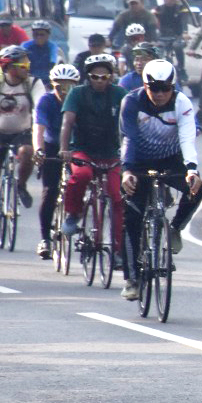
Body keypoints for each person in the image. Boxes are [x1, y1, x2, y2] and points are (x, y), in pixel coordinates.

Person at [119, 59, 202, 302]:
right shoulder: (132, 102)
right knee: (132, 217)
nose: (159, 94)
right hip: (138, 160)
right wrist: (127, 171)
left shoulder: (182, 103)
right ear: (144, 86)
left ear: (173, 87)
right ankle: (132, 279)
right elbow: (128, 138)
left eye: (165, 88)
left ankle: (175, 228)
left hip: (171, 159)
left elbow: (187, 138)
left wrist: (192, 170)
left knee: (197, 189)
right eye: (153, 88)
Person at [59, 54, 128, 271]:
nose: (99, 81)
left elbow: (129, 123)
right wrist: (64, 149)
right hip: (83, 150)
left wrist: (128, 151)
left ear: (111, 77)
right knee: (82, 175)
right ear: (88, 77)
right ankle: (73, 214)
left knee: (117, 197)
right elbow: (67, 123)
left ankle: (117, 250)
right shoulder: (77, 93)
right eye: (95, 77)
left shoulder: (120, 94)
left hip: (111, 152)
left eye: (104, 77)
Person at [0, 45, 44, 229]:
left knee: (27, 152)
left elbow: (39, 109)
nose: (27, 67)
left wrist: (40, 132)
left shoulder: (33, 83)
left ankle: (21, 184)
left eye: (27, 62)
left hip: (22, 132)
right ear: (9, 66)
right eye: (22, 64)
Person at [33, 63, 79, 258]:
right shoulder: (46, 100)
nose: (64, 91)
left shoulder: (80, 99)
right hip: (52, 146)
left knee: (80, 184)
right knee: (50, 191)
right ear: (53, 85)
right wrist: (38, 149)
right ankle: (45, 238)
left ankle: (75, 215)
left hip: (77, 146)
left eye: (69, 86)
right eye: (59, 86)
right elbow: (39, 128)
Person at [155, 0, 192, 72]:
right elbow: (153, 23)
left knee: (177, 46)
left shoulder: (181, 8)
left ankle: (181, 67)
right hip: (163, 35)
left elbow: (184, 21)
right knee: (157, 48)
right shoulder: (159, 9)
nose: (169, 0)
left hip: (178, 35)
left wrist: (185, 33)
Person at [21, 20, 61, 87]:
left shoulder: (52, 46)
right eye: (36, 34)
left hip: (47, 82)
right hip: (29, 81)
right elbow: (21, 63)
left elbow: (53, 63)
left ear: (48, 35)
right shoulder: (25, 45)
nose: (38, 37)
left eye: (42, 34)